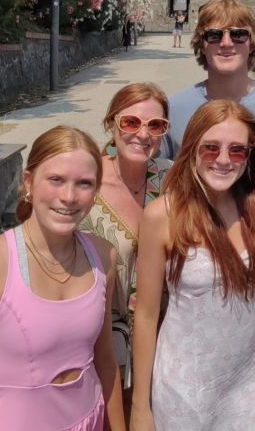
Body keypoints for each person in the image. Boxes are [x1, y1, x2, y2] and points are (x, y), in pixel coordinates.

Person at [0, 126, 125, 431]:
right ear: (29, 182)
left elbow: (105, 361)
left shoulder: (103, 256)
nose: (69, 196)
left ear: (95, 194)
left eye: (84, 184)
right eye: (56, 180)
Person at [131, 100, 255, 431]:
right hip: (185, 390)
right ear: (192, 150)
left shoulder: (254, 208)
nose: (224, 160)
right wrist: (141, 407)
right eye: (211, 148)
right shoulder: (163, 217)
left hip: (248, 382)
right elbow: (145, 315)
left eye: (237, 150)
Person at [79, 83, 172, 391]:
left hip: (162, 342)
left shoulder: (173, 180)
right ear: (111, 124)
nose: (143, 134)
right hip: (98, 346)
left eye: (155, 125)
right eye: (131, 122)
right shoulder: (84, 183)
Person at [160, 0, 255, 159]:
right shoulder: (174, 109)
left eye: (238, 34)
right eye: (214, 35)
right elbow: (152, 174)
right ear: (202, 45)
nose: (226, 43)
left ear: (252, 44)